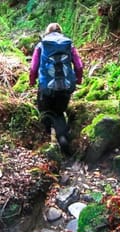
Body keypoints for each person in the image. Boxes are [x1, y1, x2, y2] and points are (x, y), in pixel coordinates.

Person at [29, 23, 83, 154]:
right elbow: (79, 66)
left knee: (45, 112)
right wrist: (78, 79)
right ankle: (63, 138)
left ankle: (47, 143)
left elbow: (33, 68)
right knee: (59, 112)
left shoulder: (41, 45)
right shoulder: (68, 45)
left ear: (47, 32)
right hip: (65, 86)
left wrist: (32, 81)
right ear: (60, 32)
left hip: (46, 86)